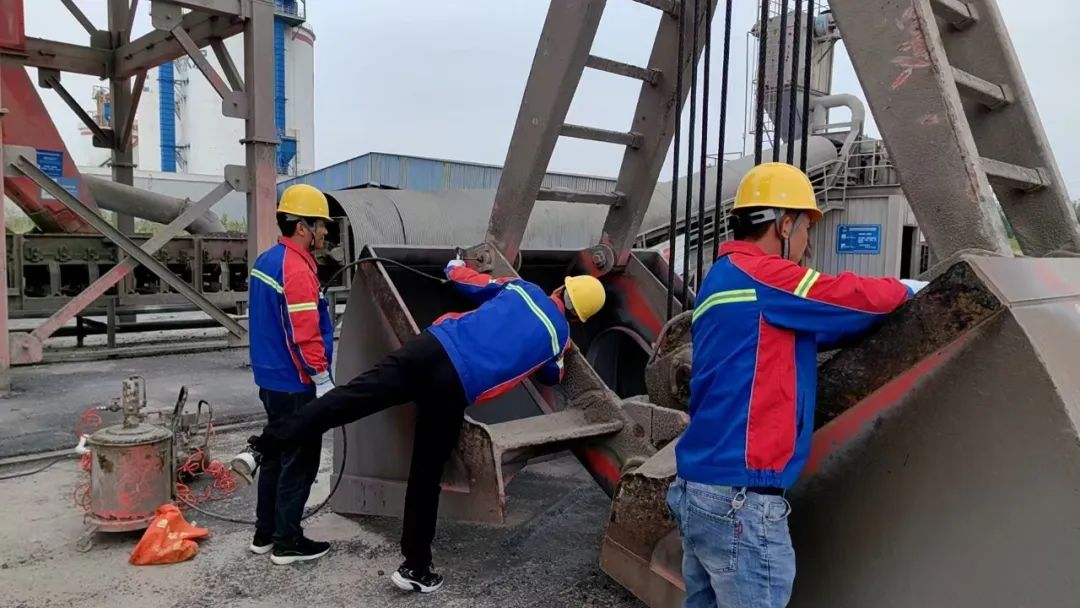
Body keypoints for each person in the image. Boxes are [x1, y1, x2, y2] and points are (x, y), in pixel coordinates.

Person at [247, 257, 607, 593]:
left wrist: (454, 266)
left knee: (348, 399)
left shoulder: (523, 288)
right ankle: (415, 568)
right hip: (453, 386)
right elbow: (552, 375)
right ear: (579, 319)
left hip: (429, 346)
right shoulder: (558, 338)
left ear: (561, 288)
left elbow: (472, 283)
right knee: (425, 474)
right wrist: (564, 346)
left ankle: (260, 448)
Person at [667, 162, 928, 607]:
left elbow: (794, 334)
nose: (808, 243)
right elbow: (847, 297)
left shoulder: (721, 279)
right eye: (807, 228)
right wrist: (912, 290)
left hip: (699, 489)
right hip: (742, 502)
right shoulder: (764, 276)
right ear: (784, 224)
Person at [245, 183, 336, 565]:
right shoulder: (296, 269)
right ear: (302, 227)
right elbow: (303, 333)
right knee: (300, 461)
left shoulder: (266, 260)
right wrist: (322, 378)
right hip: (295, 382)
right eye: (321, 224)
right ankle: (287, 541)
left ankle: (265, 533)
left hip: (271, 378)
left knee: (275, 454)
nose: (325, 231)